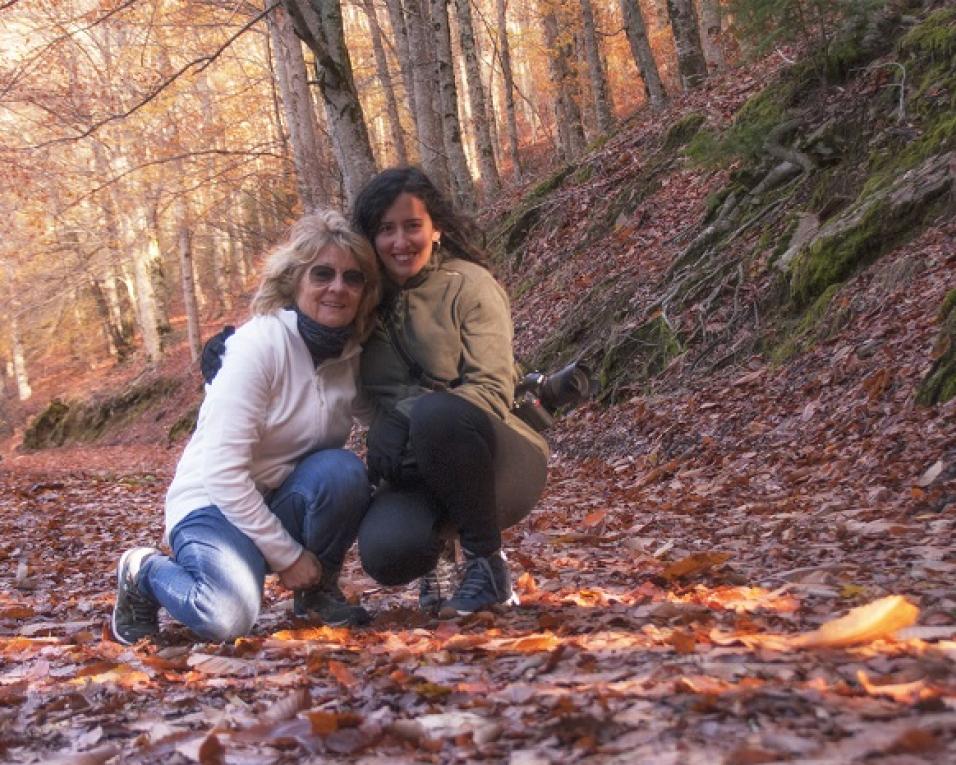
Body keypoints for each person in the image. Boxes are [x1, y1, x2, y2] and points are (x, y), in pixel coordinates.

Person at [110, 210, 380, 645]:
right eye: (323, 274)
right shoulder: (259, 345)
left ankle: (317, 592)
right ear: (295, 281)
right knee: (225, 618)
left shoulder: (351, 355)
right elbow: (221, 472)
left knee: (343, 472)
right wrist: (288, 556)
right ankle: (143, 572)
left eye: (353, 278)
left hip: (283, 497)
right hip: (213, 503)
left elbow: (380, 423)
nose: (338, 288)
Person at [353, 167, 549, 615]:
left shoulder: (470, 286)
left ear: (436, 228)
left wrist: (401, 419)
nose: (400, 242)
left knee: (436, 416)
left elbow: (492, 390)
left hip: (500, 457)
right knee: (386, 553)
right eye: (386, 230)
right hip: (414, 468)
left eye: (412, 226)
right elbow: (304, 314)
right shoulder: (360, 300)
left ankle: (487, 567)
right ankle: (436, 558)